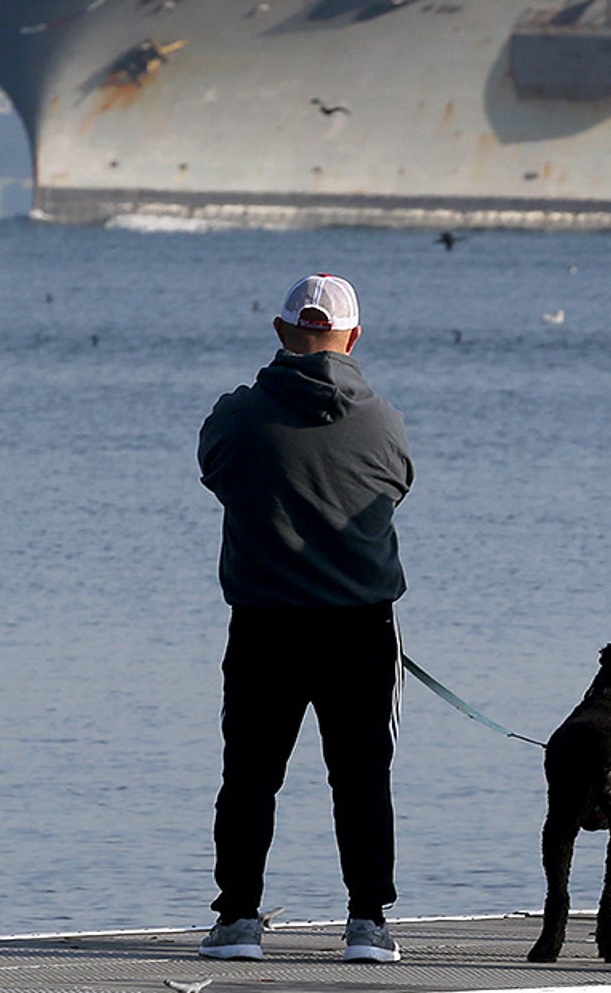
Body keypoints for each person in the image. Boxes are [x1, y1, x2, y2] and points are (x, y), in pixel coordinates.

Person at [195, 273, 415, 963]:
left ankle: (238, 921)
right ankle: (367, 924)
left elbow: (215, 469)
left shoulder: (239, 415)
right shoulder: (382, 419)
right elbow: (397, 485)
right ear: (352, 338)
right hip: (359, 627)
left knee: (251, 773)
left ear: (283, 331)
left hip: (266, 625)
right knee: (361, 775)